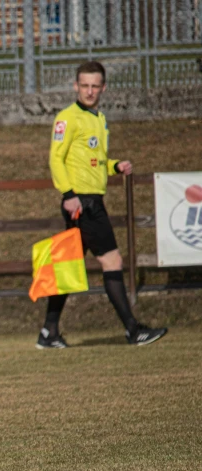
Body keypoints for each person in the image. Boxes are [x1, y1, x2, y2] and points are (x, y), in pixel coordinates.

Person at [37, 61, 168, 348]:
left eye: (95, 86)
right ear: (75, 86)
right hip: (82, 203)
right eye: (84, 85)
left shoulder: (99, 118)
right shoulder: (67, 118)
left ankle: (48, 332)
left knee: (68, 266)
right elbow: (55, 159)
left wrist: (114, 166)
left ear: (103, 87)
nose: (90, 91)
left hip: (91, 200)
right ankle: (133, 330)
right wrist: (69, 194)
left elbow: (92, 161)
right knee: (112, 261)